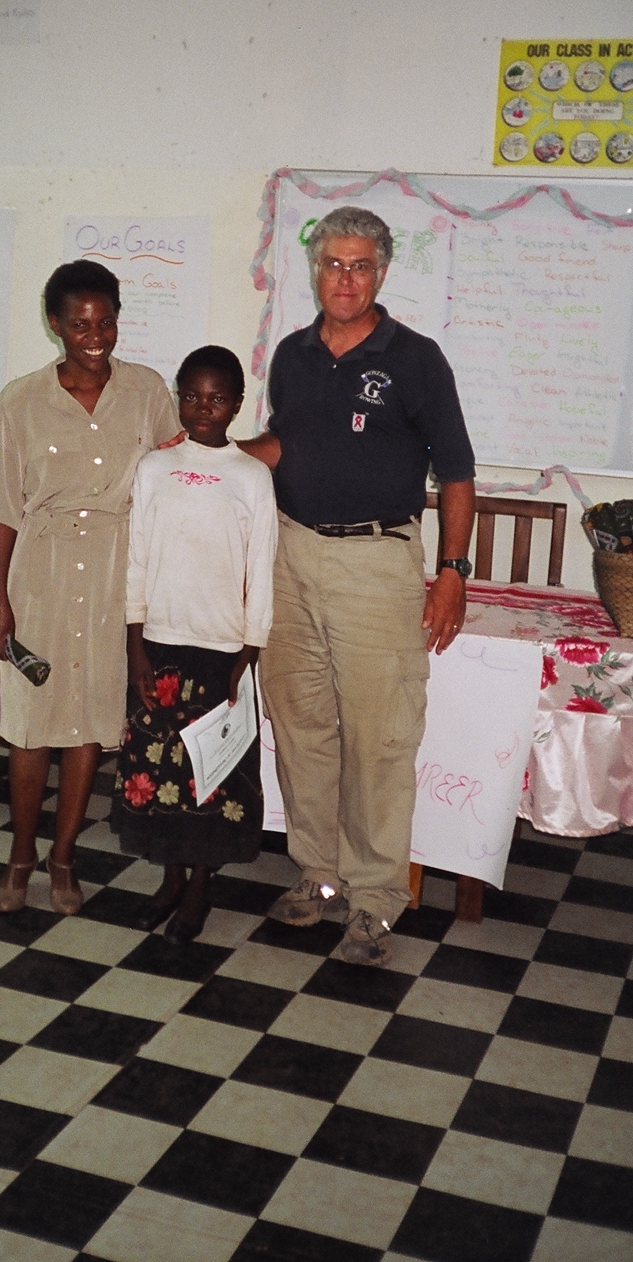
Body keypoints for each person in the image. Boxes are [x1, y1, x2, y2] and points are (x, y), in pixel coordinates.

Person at [243, 206, 476, 968]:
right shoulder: (293, 354)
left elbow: (459, 473)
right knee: (303, 727)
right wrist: (215, 453)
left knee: (379, 739)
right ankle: (320, 876)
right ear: (315, 268)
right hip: (292, 557)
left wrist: (451, 573)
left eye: (360, 266)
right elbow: (287, 442)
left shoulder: (416, 358)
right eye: (333, 264)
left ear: (381, 272)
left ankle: (375, 900)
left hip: (377, 567)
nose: (345, 278)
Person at [0, 260, 180, 916]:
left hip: (116, 575)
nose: (96, 336)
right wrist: (0, 599)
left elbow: (178, 472)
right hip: (43, 574)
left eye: (107, 321)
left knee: (89, 723)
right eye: (81, 324)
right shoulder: (21, 400)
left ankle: (63, 859)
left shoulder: (146, 391)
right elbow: (5, 506)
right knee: (31, 728)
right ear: (55, 324)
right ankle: (21, 855)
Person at [111, 346, 277, 944]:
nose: (204, 409)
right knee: (161, 773)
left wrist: (248, 654)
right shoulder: (154, 468)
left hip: (222, 654)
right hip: (160, 644)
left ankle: (201, 887)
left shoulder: (252, 477)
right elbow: (136, 559)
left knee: (212, 775)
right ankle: (171, 878)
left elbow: (262, 572)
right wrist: (135, 643)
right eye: (192, 396)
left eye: (217, 398)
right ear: (178, 397)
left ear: (236, 404)